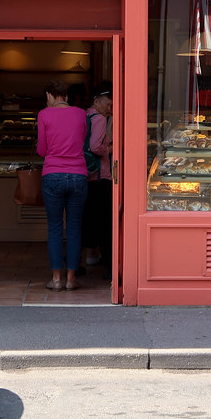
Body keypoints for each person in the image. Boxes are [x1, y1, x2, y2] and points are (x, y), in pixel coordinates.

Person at [36, 80, 89, 291]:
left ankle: (56, 279)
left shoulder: (44, 114)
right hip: (78, 174)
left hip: (53, 175)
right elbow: (84, 141)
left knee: (56, 228)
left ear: (49, 95)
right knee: (75, 228)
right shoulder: (80, 114)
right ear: (66, 96)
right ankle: (71, 279)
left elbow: (41, 149)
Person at [82, 86, 113, 278]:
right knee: (105, 223)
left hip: (86, 175)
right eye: (108, 104)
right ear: (96, 101)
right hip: (100, 176)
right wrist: (109, 149)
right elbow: (95, 146)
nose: (109, 108)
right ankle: (109, 267)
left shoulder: (84, 117)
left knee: (86, 219)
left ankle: (84, 258)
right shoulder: (100, 119)